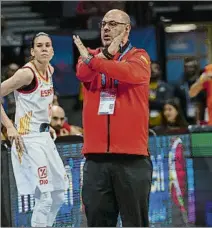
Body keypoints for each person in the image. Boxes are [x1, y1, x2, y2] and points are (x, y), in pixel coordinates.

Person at [73, 9, 153, 227]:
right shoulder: (88, 57)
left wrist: (96, 60)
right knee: (97, 222)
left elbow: (129, 73)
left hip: (132, 159)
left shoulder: (140, 57)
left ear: (126, 29)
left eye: (113, 24)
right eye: (103, 24)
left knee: (135, 222)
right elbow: (83, 72)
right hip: (96, 160)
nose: (106, 28)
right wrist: (101, 56)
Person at [0, 32, 68, 227]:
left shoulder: (51, 71)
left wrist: (48, 125)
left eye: (48, 45)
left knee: (60, 193)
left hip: (44, 137)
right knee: (45, 197)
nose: (44, 48)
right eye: (39, 45)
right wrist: (9, 126)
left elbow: (42, 101)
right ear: (32, 51)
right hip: (28, 139)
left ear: (53, 51)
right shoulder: (26, 74)